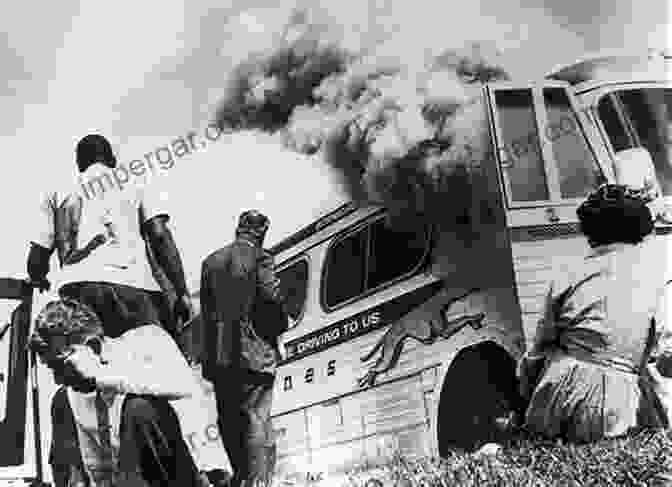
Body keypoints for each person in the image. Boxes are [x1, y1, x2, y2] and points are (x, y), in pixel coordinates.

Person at [518, 184, 671, 442]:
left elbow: (539, 351)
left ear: (590, 233)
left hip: (553, 395)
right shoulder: (657, 271)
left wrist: (526, 398)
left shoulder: (566, 273)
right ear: (641, 228)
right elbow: (665, 353)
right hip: (610, 404)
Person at [26, 133, 193, 341]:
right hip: (135, 289)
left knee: (88, 366)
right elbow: (159, 235)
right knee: (146, 363)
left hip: (78, 290)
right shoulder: (137, 181)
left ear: (79, 164)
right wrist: (181, 291)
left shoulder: (59, 190)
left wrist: (38, 278)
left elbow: (37, 257)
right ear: (113, 161)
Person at [29, 298, 204, 486]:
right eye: (52, 369)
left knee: (139, 408)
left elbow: (184, 385)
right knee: (61, 401)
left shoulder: (147, 341)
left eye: (60, 366)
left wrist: (100, 377)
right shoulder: (67, 399)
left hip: (175, 477)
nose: (57, 379)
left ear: (94, 346)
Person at [200, 210, 290, 487]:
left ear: (238, 229)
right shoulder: (261, 257)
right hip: (253, 354)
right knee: (256, 418)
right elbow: (272, 302)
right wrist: (278, 334)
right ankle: (257, 483)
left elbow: (206, 312)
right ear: (261, 232)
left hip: (219, 358)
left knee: (229, 421)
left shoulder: (210, 262)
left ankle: (241, 478)